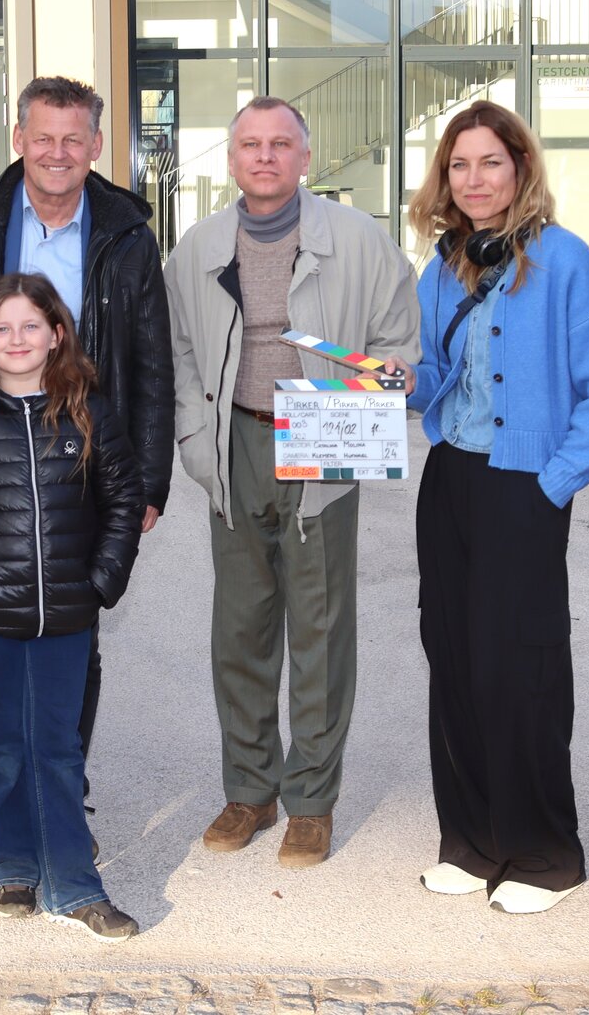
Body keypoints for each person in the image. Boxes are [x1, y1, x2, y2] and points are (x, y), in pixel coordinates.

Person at [0, 75, 173, 873]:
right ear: (17, 139)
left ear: (95, 146)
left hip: (80, 464)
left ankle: (61, 798)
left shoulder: (127, 232)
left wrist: (148, 482)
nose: (58, 153)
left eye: (75, 139)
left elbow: (152, 361)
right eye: (43, 136)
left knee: (71, 636)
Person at [164, 96, 420, 868]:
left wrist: (379, 387)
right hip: (236, 439)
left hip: (320, 437)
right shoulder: (198, 246)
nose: (266, 157)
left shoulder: (360, 242)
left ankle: (312, 799)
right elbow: (177, 349)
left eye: (281, 144)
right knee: (239, 630)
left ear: (306, 158)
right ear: (233, 159)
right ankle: (249, 790)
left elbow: (396, 338)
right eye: (250, 144)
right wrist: (191, 435)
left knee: (320, 626)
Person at [404, 100, 589, 914]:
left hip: (523, 485)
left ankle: (541, 854)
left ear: (520, 168)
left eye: (489, 163)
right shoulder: (443, 267)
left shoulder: (565, 262)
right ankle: (469, 841)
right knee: (454, 657)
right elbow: (436, 380)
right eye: (459, 166)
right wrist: (393, 382)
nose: (474, 180)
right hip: (451, 482)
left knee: (522, 667)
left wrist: (555, 481)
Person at [0, 273, 144, 941]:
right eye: (2, 328)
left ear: (56, 334)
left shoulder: (88, 410)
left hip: (67, 616)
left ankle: (75, 884)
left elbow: (124, 500)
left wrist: (101, 578)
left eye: (30, 326)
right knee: (2, 747)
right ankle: (12, 864)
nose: (17, 339)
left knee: (58, 750)